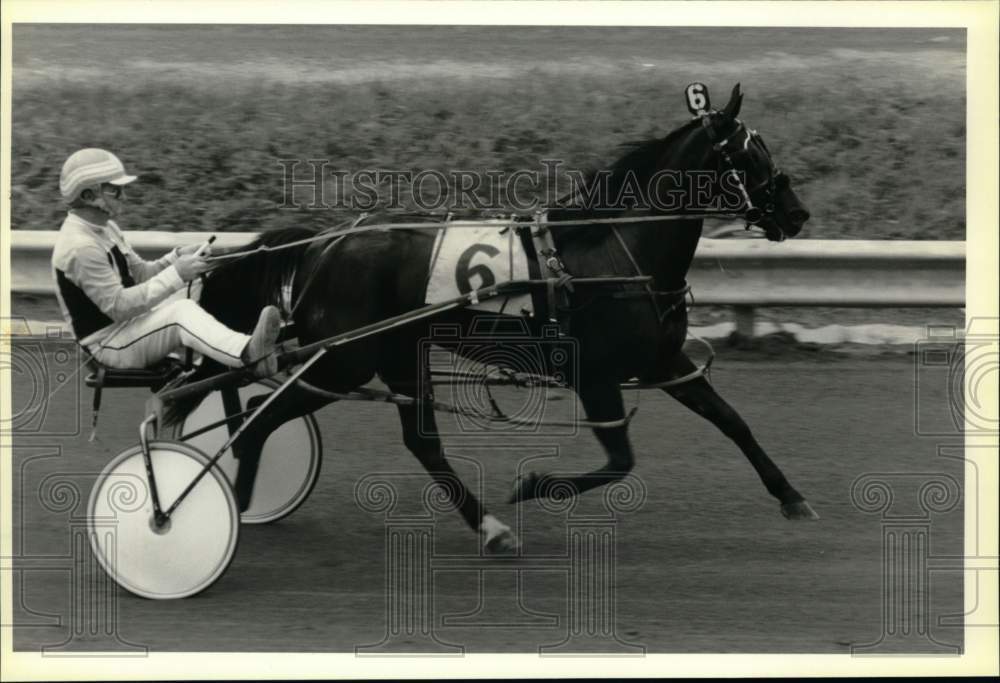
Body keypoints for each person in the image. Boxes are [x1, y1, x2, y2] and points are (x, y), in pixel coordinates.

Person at [51, 148, 280, 377]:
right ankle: (246, 353)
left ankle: (247, 336)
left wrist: (176, 257)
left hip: (130, 325)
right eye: (115, 190)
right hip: (108, 345)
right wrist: (177, 274)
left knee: (208, 282)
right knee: (181, 312)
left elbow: (141, 273)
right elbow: (120, 307)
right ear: (88, 196)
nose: (125, 196)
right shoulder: (80, 247)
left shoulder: (106, 227)